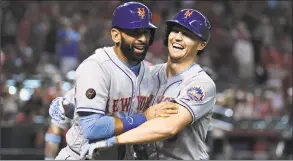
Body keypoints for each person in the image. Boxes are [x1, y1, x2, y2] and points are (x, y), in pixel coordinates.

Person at [80, 8, 216, 160]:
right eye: (175, 31)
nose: (178, 37)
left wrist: (114, 140)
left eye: (187, 34)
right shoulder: (149, 73)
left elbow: (169, 126)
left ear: (201, 45)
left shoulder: (200, 84)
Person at [52, 2, 178, 160]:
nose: (143, 39)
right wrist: (144, 117)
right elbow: (91, 128)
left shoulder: (148, 72)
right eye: (135, 32)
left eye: (147, 33)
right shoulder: (97, 67)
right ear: (116, 35)